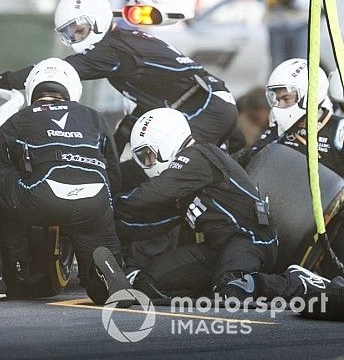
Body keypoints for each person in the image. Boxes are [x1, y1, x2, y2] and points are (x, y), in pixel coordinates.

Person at [116, 107, 340, 302]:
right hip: (219, 246)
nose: (147, 164)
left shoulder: (196, 156)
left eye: (148, 155)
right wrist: (110, 228)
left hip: (250, 238)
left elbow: (152, 193)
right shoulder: (185, 178)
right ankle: (216, 284)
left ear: (166, 142)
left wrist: (107, 204)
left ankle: (296, 281)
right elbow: (156, 221)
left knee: (231, 291)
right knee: (148, 284)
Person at [0, 0, 238, 150]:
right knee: (128, 140)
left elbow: (51, 70)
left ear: (97, 22)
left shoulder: (112, 52)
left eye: (80, 30)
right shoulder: (118, 44)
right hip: (198, 104)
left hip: (205, 107)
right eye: (69, 34)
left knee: (176, 174)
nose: (75, 39)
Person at [0, 58, 125, 303]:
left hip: (43, 195)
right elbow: (113, 172)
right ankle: (105, 280)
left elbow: (3, 171)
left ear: (32, 88)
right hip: (95, 201)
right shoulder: (94, 118)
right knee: (99, 279)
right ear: (72, 89)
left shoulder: (16, 121)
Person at [237, 59, 344, 176]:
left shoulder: (339, 132)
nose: (279, 106)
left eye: (286, 99)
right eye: (277, 100)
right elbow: (248, 163)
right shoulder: (278, 130)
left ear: (308, 96)